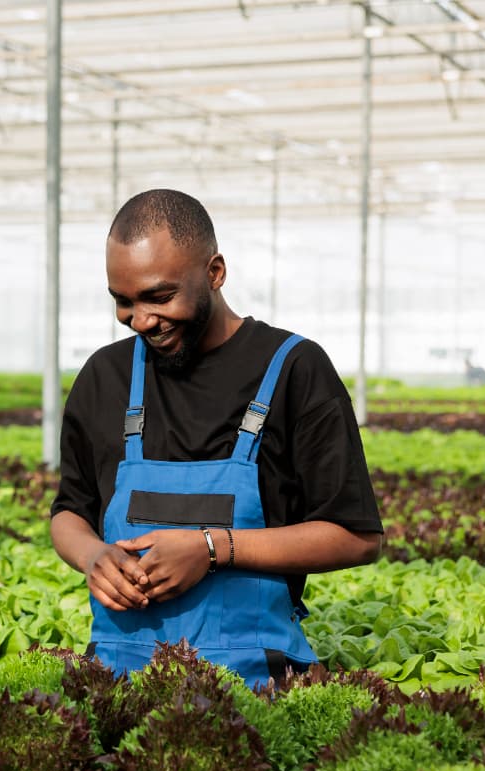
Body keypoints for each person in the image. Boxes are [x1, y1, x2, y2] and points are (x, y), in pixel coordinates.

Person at [49, 189, 384, 687]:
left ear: (215, 272)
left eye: (160, 297)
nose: (141, 321)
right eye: (124, 301)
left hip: (258, 679)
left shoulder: (294, 369)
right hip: (116, 675)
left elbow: (357, 537)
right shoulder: (104, 377)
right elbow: (70, 511)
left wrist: (211, 548)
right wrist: (92, 555)